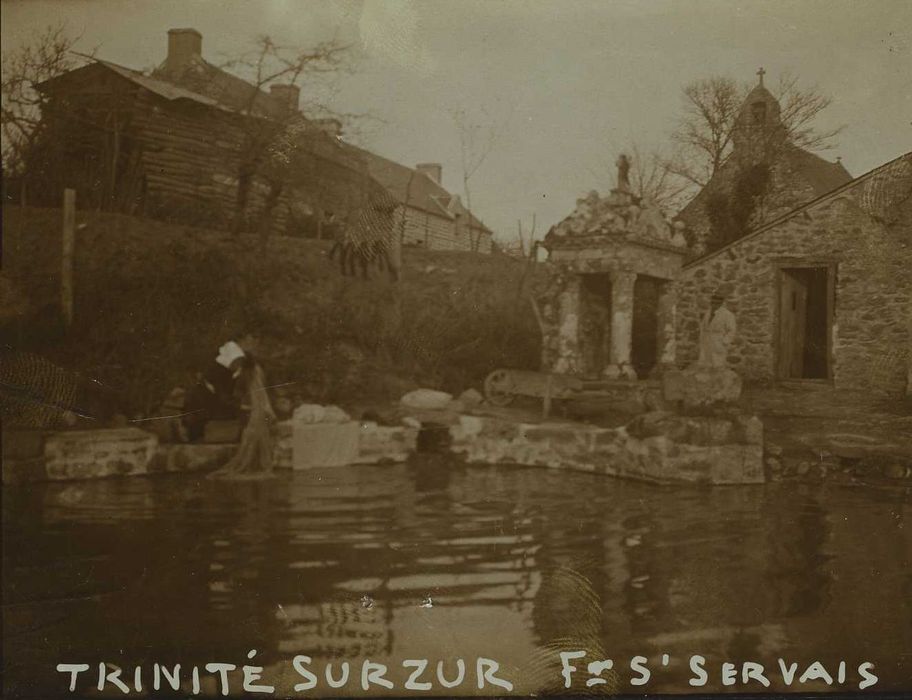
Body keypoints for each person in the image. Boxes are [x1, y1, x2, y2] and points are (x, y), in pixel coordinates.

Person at [209, 354, 276, 479]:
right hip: (256, 410)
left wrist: (242, 402)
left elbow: (238, 395)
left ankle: (252, 463)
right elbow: (263, 394)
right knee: (257, 438)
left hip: (249, 409)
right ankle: (257, 464)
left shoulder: (244, 376)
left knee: (250, 438)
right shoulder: (255, 374)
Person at [180, 340, 247, 442]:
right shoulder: (219, 372)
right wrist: (240, 405)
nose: (239, 365)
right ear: (230, 360)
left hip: (212, 399)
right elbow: (222, 395)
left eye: (240, 361)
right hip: (202, 400)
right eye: (237, 361)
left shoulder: (230, 372)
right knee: (196, 422)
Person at [697, 285, 736, 368]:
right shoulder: (708, 313)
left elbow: (732, 330)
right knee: (706, 365)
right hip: (706, 341)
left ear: (721, 303)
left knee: (718, 365)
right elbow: (703, 327)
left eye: (717, 303)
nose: (714, 304)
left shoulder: (727, 314)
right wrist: (702, 338)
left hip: (718, 342)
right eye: (713, 302)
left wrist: (724, 342)